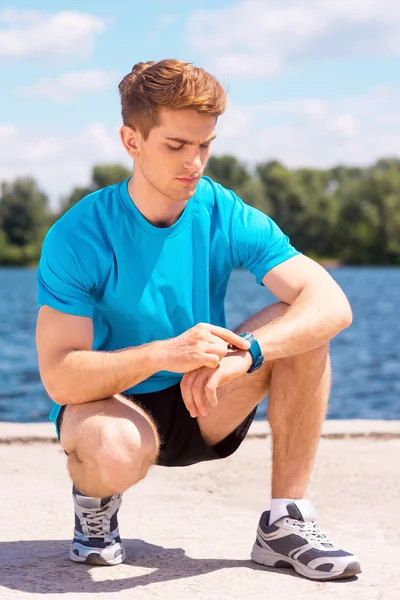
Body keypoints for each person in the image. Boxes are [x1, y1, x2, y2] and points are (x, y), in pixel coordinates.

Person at [35, 59, 361, 581]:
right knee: (111, 451)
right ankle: (95, 508)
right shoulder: (79, 235)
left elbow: (330, 302)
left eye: (204, 145)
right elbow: (60, 376)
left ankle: (284, 522)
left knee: (301, 326)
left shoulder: (221, 210)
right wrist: (165, 353)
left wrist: (250, 353)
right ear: (131, 140)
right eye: (176, 146)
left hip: (206, 393)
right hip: (113, 403)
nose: (195, 162)